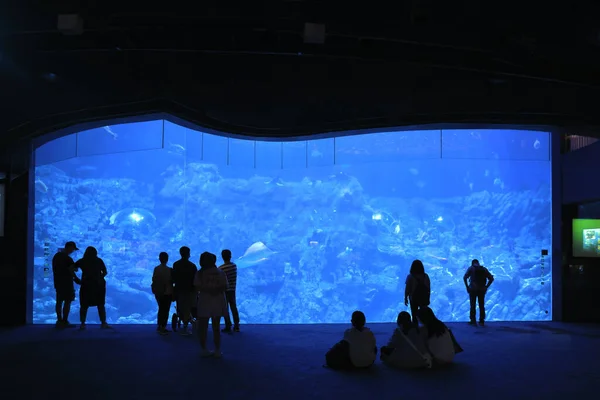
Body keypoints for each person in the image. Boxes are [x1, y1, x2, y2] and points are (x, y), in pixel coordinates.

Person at [194, 252, 228, 358]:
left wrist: (208, 290)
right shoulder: (220, 272)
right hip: (217, 300)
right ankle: (217, 350)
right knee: (216, 327)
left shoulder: (200, 273)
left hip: (204, 300)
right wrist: (215, 290)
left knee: (203, 327)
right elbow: (225, 287)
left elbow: (197, 287)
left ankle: (204, 349)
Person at [74, 246, 110, 330]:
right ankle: (103, 323)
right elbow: (105, 272)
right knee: (100, 304)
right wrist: (99, 278)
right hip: (98, 285)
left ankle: (83, 324)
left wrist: (76, 278)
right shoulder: (99, 260)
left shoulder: (82, 261)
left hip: (86, 285)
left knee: (84, 305)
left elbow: (72, 268)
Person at [52, 241, 81, 328]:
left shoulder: (56, 256)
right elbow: (73, 269)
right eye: (73, 249)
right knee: (67, 301)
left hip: (58, 282)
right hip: (67, 283)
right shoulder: (67, 258)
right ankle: (65, 321)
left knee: (59, 301)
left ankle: (59, 321)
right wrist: (76, 278)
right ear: (70, 247)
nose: (73, 251)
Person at [172, 246, 198, 335]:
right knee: (189, 307)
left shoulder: (176, 264)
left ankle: (185, 322)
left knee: (182, 307)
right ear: (188, 254)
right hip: (190, 291)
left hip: (179, 290)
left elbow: (174, 278)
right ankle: (186, 325)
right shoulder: (192, 266)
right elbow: (196, 279)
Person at [463, 259, 495, 326]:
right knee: (481, 305)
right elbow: (491, 278)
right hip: (482, 290)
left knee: (472, 305)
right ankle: (481, 321)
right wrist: (486, 286)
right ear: (478, 263)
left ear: (472, 263)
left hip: (473, 289)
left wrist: (467, 287)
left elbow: (464, 277)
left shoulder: (471, 268)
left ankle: (473, 321)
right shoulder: (484, 269)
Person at [152, 252, 174, 335]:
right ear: (167, 259)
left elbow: (154, 279)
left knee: (161, 308)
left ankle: (159, 325)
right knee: (165, 309)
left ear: (159, 259)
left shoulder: (156, 268)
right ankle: (163, 326)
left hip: (158, 292)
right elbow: (172, 281)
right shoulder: (169, 270)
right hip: (167, 292)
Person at [404, 259, 431, 328]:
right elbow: (428, 288)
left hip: (414, 298)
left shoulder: (410, 276)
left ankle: (415, 330)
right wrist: (428, 298)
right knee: (424, 314)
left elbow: (407, 289)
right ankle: (426, 328)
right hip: (424, 298)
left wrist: (406, 298)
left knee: (414, 314)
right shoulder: (426, 276)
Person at [219, 249, 240, 333]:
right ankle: (236, 325)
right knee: (233, 307)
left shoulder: (221, 268)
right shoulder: (234, 266)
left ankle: (228, 325)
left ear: (222, 257)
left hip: (224, 291)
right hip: (232, 290)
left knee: (225, 308)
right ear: (230, 256)